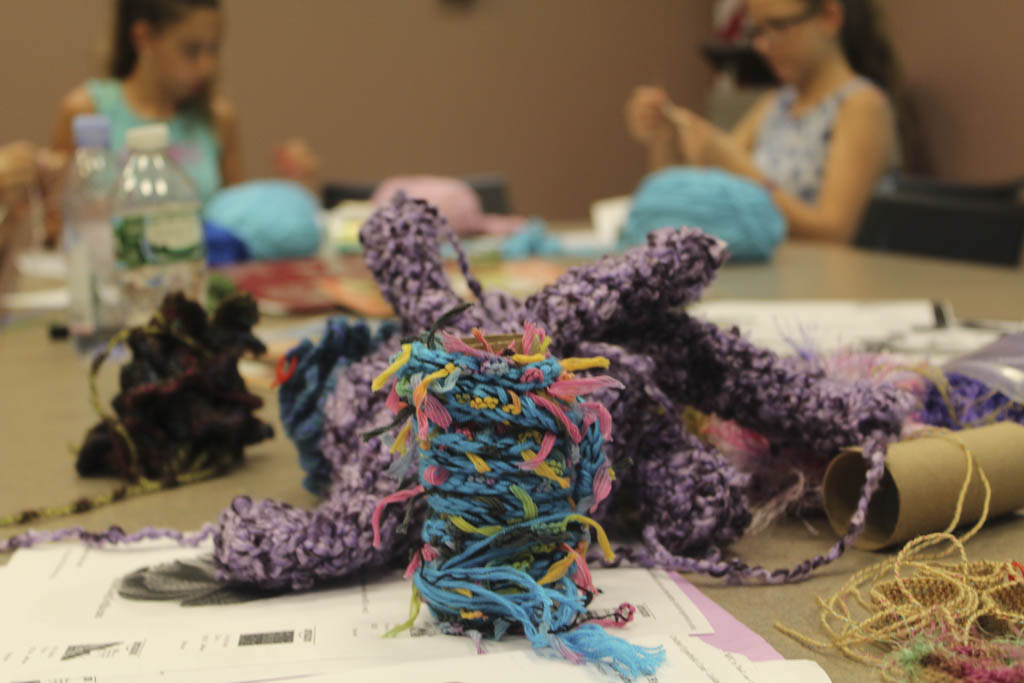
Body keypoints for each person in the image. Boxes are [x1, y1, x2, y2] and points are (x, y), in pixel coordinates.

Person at [626, 0, 899, 243]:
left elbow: (834, 232)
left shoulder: (862, 106)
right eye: (757, 30)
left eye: (778, 26)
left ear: (829, 16)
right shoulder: (775, 103)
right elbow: (701, 199)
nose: (762, 45)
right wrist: (663, 140)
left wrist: (735, 166)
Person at [53, 0, 238, 208]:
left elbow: (235, 219)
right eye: (191, 50)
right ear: (144, 37)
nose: (206, 67)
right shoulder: (87, 111)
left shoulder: (216, 118)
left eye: (212, 49)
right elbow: (58, 221)